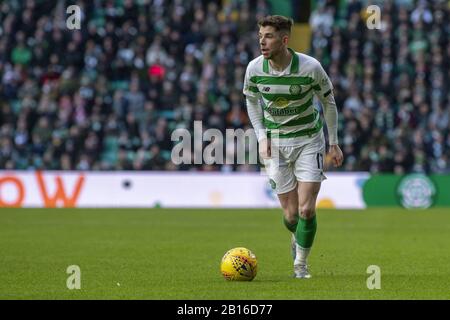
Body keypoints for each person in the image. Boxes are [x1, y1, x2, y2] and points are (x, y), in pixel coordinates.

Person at [243, 15, 344, 278]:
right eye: (261, 36)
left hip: (309, 141)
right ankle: (297, 236)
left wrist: (333, 143)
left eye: (268, 36)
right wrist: (262, 137)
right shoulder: (254, 69)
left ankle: (300, 264)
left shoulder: (310, 67)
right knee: (290, 217)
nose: (262, 41)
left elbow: (328, 102)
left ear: (284, 39)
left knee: (306, 209)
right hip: (275, 145)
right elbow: (252, 102)